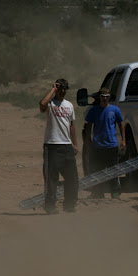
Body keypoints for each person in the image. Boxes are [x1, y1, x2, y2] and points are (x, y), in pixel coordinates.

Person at [39, 78, 79, 214]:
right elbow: (42, 104)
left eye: (64, 89)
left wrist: (75, 144)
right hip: (52, 145)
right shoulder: (50, 103)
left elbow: (72, 126)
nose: (62, 91)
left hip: (67, 146)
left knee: (72, 177)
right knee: (51, 178)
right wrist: (52, 90)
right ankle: (50, 206)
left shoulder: (69, 105)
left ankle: (69, 205)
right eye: (60, 88)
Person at [83, 87, 126, 198]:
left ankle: (115, 192)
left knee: (113, 171)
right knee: (97, 171)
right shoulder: (94, 110)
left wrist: (123, 140)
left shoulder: (115, 110)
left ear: (109, 97)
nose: (105, 99)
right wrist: (88, 143)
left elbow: (121, 124)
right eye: (103, 97)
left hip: (112, 145)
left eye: (107, 97)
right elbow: (88, 128)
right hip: (98, 146)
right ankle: (98, 193)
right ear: (100, 97)